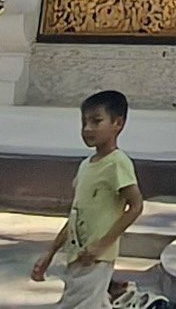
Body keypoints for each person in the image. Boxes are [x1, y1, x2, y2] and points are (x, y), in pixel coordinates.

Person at [31, 90, 142, 308]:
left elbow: (136, 206)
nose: (87, 129)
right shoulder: (86, 165)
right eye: (84, 122)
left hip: (95, 258)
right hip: (78, 255)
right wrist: (50, 253)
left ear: (117, 123)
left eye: (96, 121)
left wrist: (101, 245)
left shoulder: (117, 163)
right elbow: (75, 214)